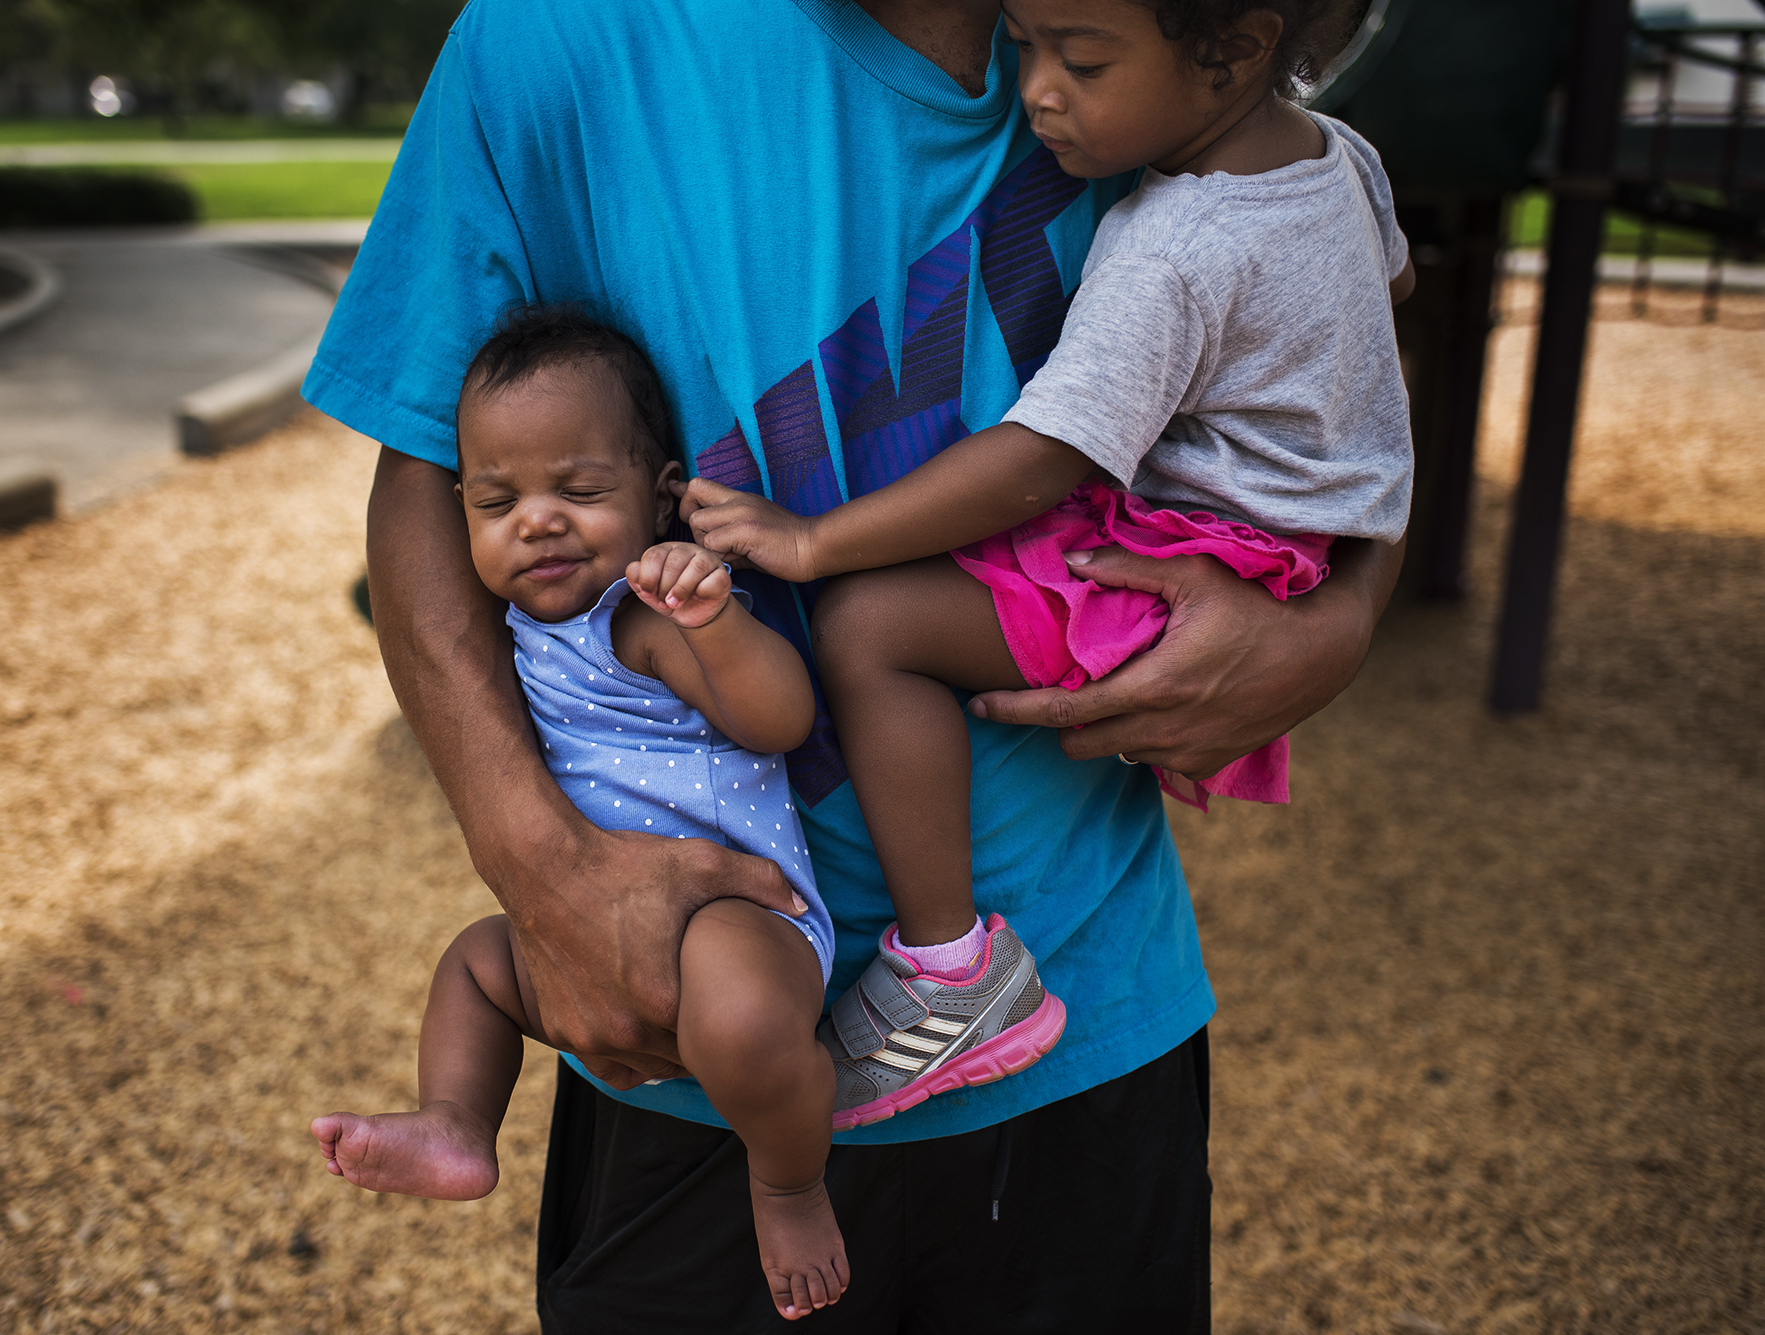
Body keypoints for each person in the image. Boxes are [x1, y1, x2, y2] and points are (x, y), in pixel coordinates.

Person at [303, 0, 1405, 1327]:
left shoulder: (1139, 30)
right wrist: (541, 866)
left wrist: (1343, 617)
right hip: (691, 1045)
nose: (1050, 85)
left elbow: (1333, 341)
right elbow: (425, 470)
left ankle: (955, 966)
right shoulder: (556, 36)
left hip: (1092, 1006)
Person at [678, 0, 1413, 1132]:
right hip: (1293, 556)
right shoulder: (1340, 160)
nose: (1034, 93)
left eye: (1081, 60)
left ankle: (946, 965)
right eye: (1024, 46)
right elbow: (1386, 293)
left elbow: (1037, 461)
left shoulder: (1171, 244)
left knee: (872, 627)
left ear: (1234, 42)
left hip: (1193, 566)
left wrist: (812, 540)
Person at [312, 307, 869, 1318]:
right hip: (578, 924)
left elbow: (779, 720)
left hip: (738, 917)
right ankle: (456, 1122)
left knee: (740, 1020)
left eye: (577, 490)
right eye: (496, 502)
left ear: (658, 499)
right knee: (475, 966)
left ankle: (786, 1182)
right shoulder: (514, 631)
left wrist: (715, 618)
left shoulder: (644, 615)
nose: (537, 520)